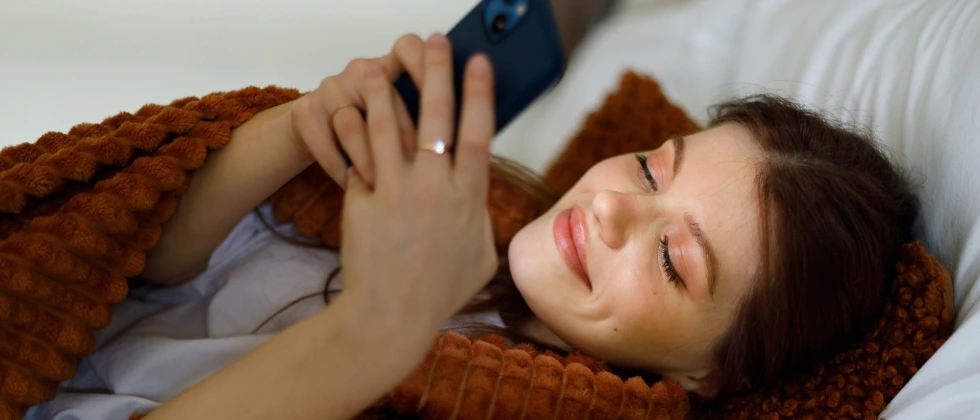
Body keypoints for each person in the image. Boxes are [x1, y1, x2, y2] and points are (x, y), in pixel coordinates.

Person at [32, 31, 915, 420]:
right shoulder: (469, 205)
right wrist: (296, 129)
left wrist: (375, 335)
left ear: (710, 376)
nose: (609, 206)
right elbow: (133, 266)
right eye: (651, 169)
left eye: (674, 259)